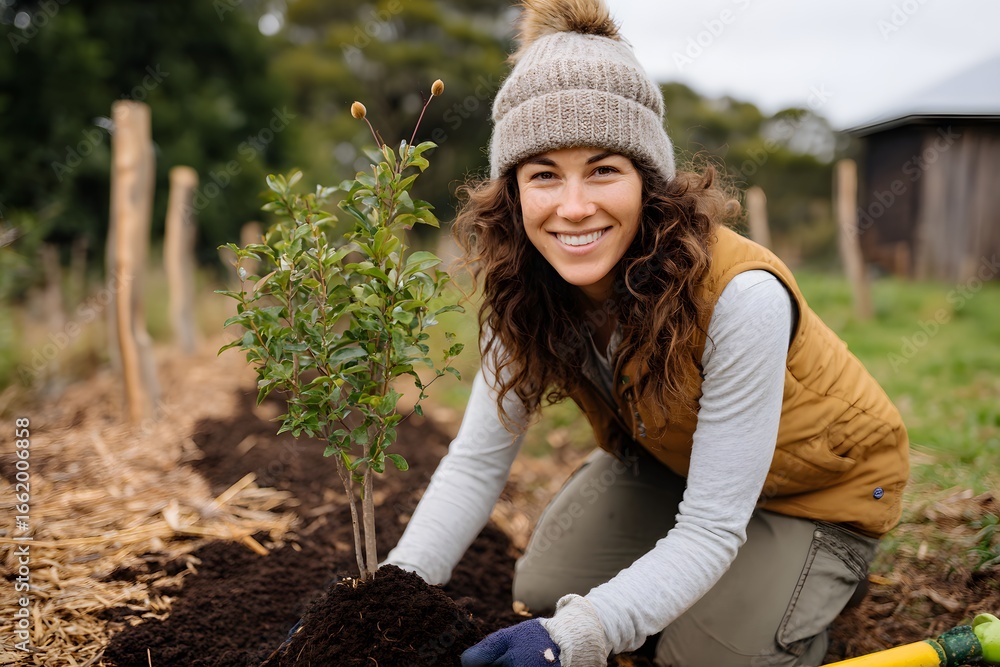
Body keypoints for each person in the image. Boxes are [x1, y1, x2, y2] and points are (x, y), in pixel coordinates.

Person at [383, 1, 910, 665]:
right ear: (512, 191)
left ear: (647, 182)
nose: (574, 207)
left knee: (699, 659)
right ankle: (731, 590)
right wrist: (383, 598)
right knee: (545, 588)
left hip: (819, 490)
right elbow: (476, 462)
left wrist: (576, 636)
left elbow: (712, 525)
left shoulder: (741, 296)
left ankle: (816, 578)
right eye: (544, 174)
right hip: (680, 466)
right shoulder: (525, 288)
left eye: (603, 169)